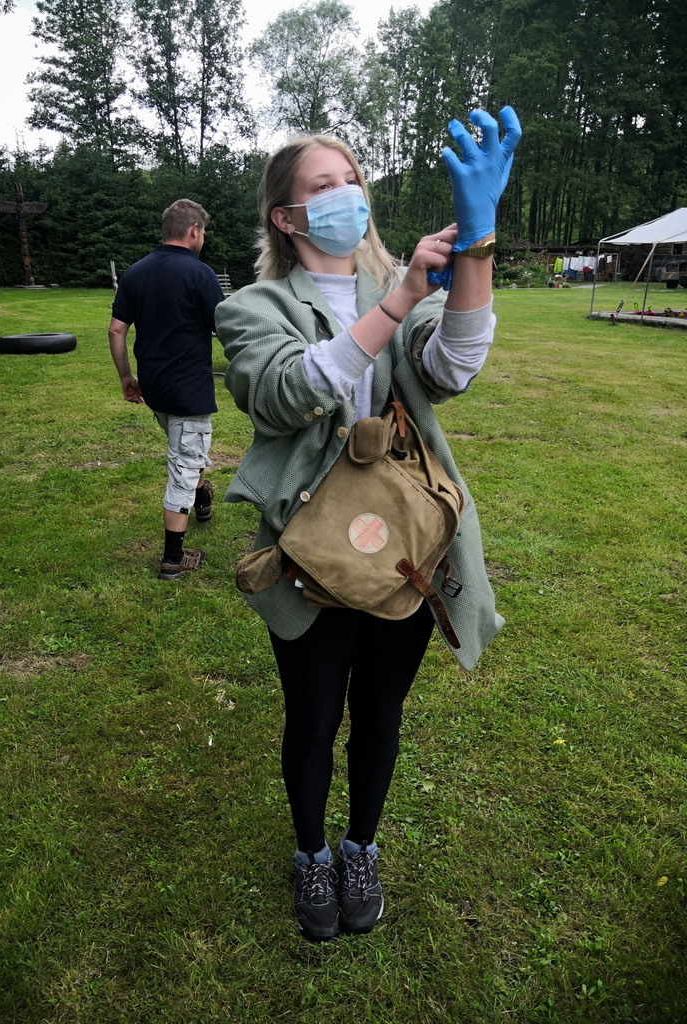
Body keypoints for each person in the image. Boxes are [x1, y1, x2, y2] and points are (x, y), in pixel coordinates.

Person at [215, 108, 521, 941]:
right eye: (323, 185)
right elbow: (288, 392)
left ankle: (360, 848)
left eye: (351, 179)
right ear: (286, 216)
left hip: (404, 547)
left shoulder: (398, 287)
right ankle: (312, 855)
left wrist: (478, 243)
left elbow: (452, 366)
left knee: (381, 714)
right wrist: (399, 296)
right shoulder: (251, 307)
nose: (345, 193)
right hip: (310, 554)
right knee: (313, 717)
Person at [109, 199, 225, 580]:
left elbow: (116, 329)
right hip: (188, 391)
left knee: (188, 449)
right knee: (184, 463)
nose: (203, 238)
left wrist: (126, 376)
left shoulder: (135, 272)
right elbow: (226, 328)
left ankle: (202, 498)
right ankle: (173, 559)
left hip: (154, 389)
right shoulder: (200, 274)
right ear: (194, 231)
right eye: (203, 232)